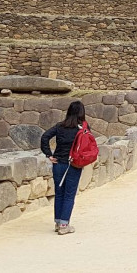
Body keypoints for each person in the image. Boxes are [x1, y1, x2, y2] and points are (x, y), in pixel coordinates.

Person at [40, 101, 87, 235]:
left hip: (58, 163)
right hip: (74, 164)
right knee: (69, 195)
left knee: (59, 193)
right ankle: (64, 225)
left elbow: (45, 137)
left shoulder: (60, 126)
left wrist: (48, 154)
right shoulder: (82, 128)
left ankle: (58, 222)